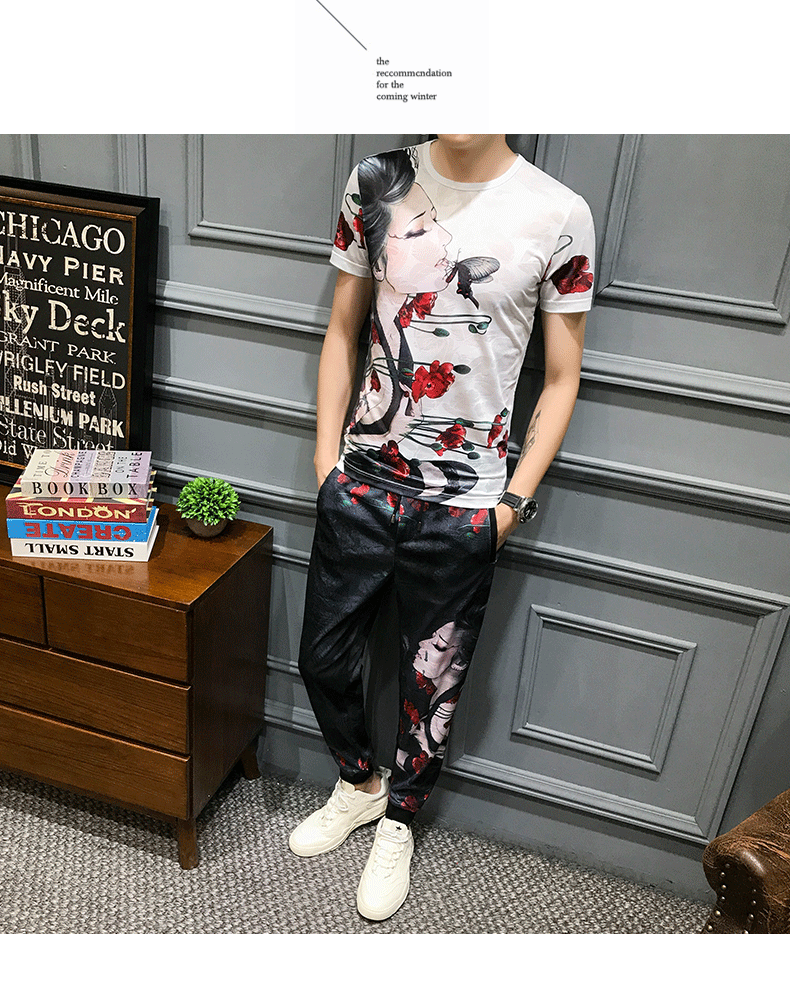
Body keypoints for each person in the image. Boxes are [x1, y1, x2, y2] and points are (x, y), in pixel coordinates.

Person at [289, 135, 595, 921]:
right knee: (321, 657)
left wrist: (511, 504)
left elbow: (562, 377)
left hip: (466, 508)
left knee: (433, 691)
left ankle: (399, 820)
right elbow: (342, 329)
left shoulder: (559, 214)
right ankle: (360, 783)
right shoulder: (378, 179)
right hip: (361, 485)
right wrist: (327, 462)